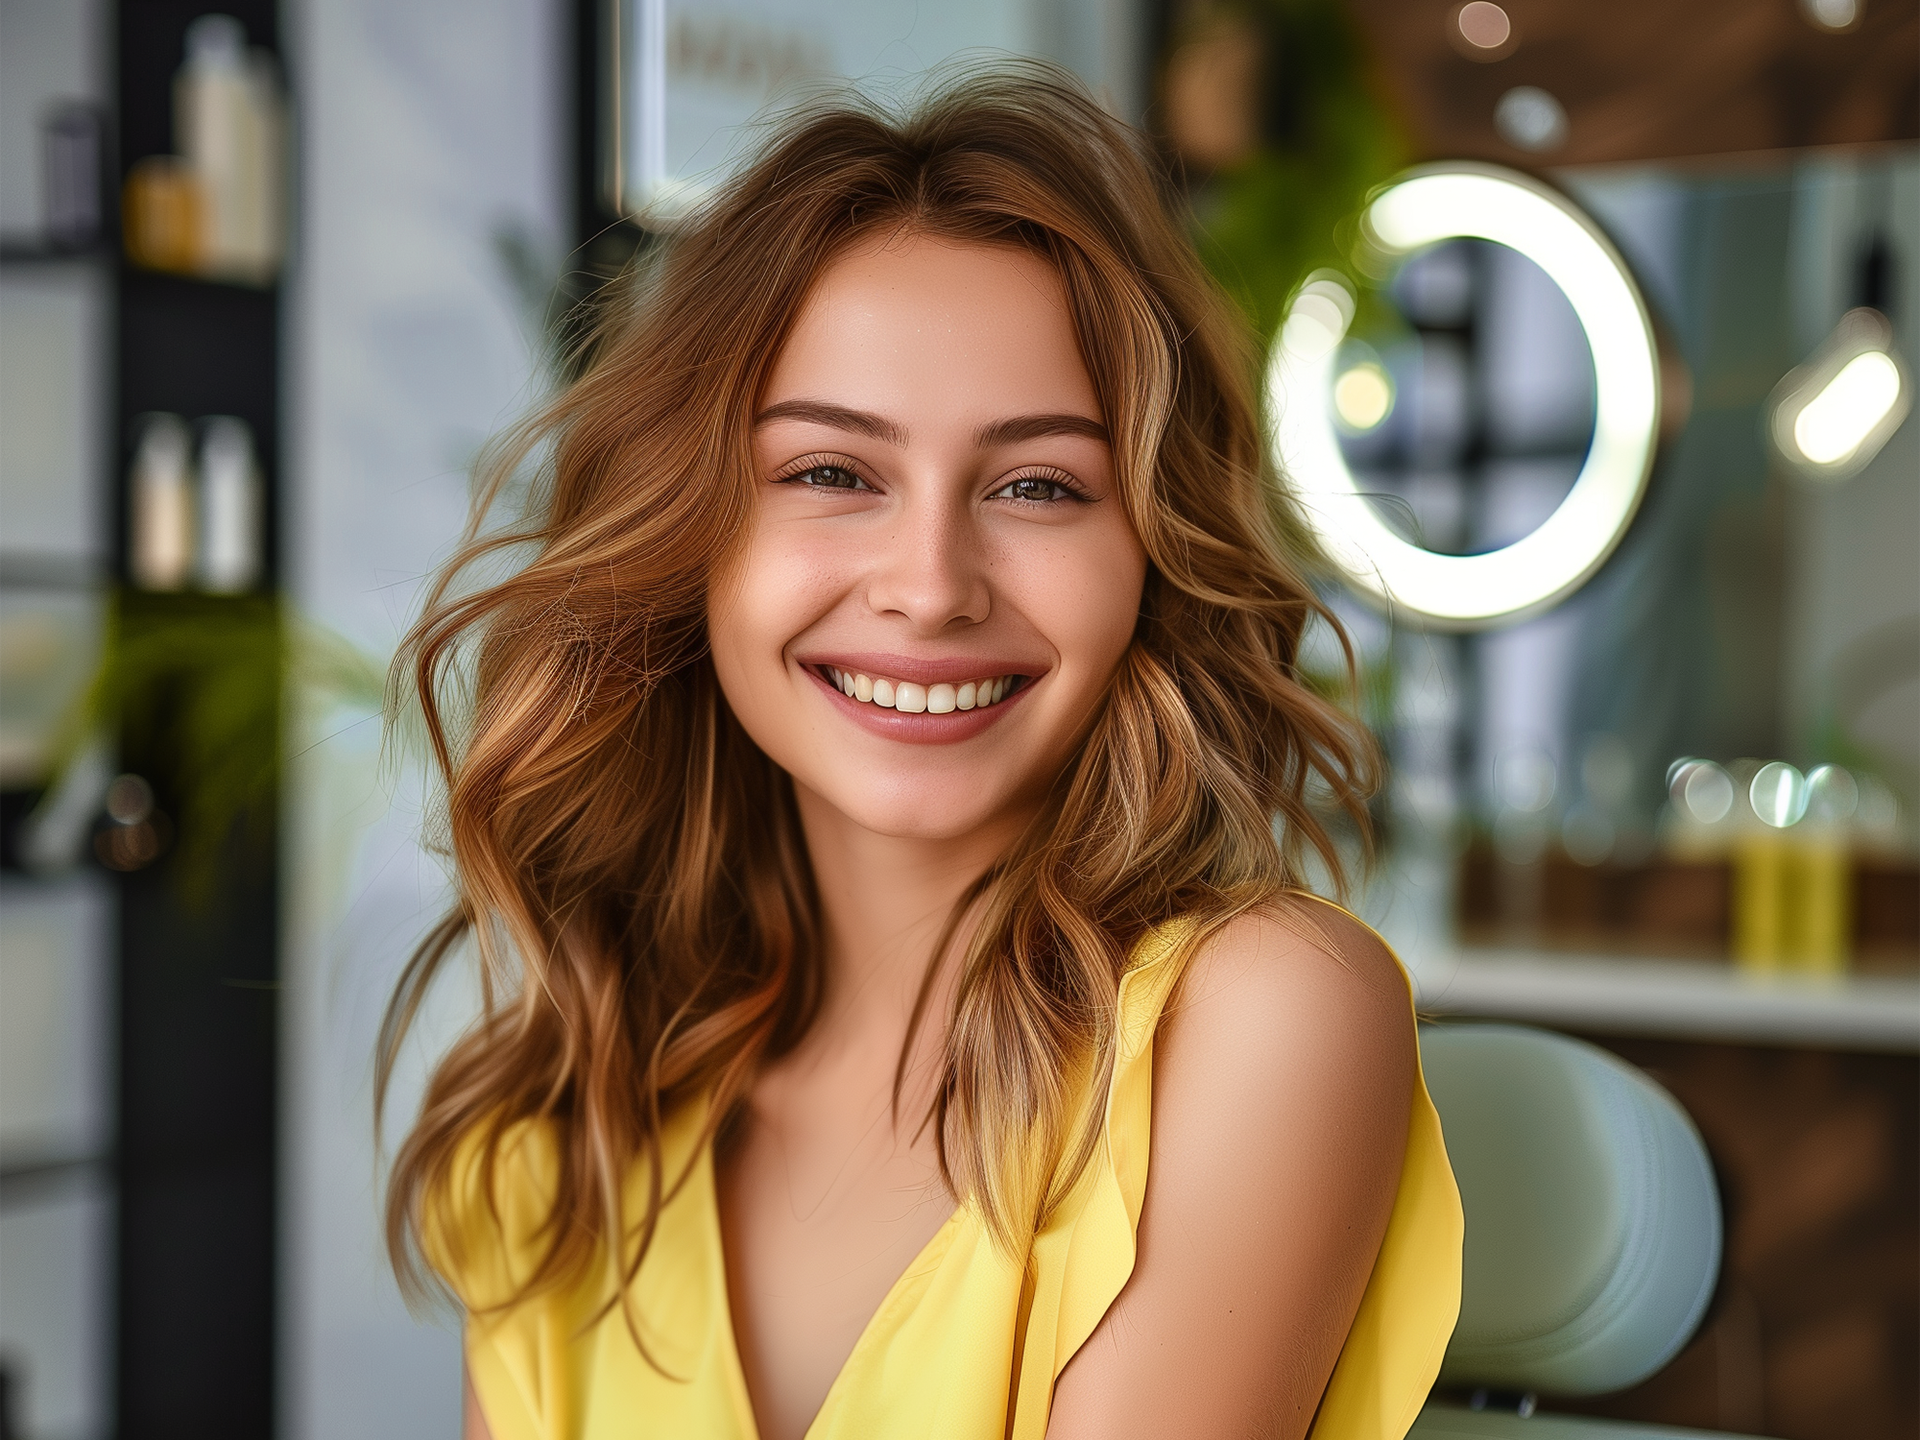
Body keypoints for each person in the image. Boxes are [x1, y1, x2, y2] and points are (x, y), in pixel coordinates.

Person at [379, 62, 1461, 1440]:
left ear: (1150, 557)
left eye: (1038, 485)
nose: (931, 583)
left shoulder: (1260, 1025)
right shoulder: (561, 1135)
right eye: (833, 473)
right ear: (691, 535)